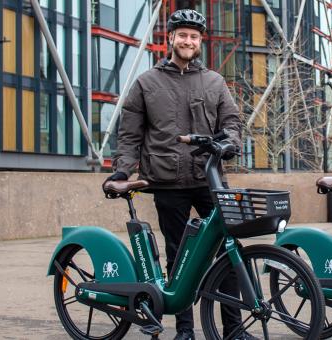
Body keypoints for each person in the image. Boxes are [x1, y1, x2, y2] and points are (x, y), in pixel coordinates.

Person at [107, 9, 256, 340]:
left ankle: (233, 329)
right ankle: (184, 330)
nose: (188, 41)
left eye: (194, 36)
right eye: (182, 35)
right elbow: (130, 134)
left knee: (228, 252)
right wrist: (121, 168)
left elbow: (231, 121)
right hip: (167, 180)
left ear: (200, 41)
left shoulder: (215, 81)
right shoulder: (147, 82)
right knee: (178, 255)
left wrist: (230, 142)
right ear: (170, 38)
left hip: (210, 179)